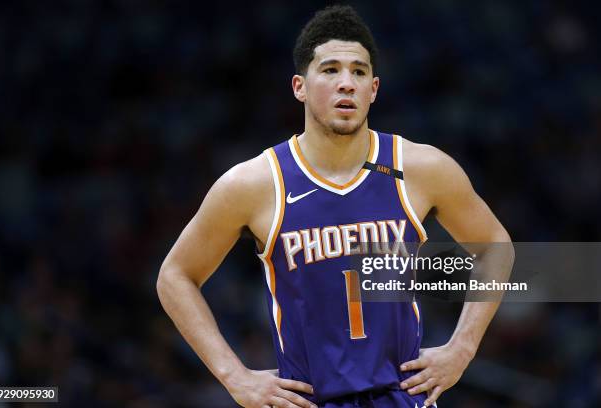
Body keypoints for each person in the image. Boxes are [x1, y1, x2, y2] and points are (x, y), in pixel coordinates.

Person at [157, 5, 513, 408]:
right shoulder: (254, 183)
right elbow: (175, 276)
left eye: (359, 72)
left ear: (374, 89)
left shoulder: (421, 168)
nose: (347, 83)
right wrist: (234, 376)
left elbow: (494, 244)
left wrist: (461, 350)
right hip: (311, 399)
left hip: (403, 397)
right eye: (330, 70)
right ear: (299, 87)